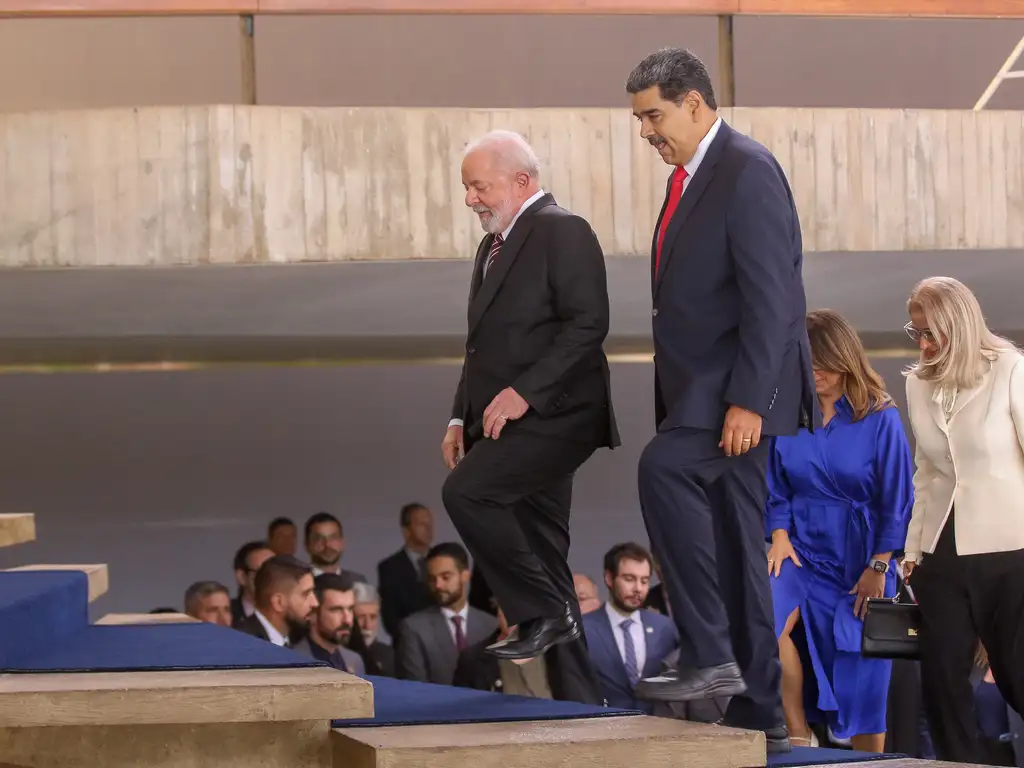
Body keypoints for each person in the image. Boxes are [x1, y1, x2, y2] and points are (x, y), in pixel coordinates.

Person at [625, 47, 816, 752]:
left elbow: (775, 300)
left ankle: (708, 655)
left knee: (661, 470)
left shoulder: (746, 169)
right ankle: (760, 714)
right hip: (705, 398)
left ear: (695, 103)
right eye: (641, 118)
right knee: (740, 552)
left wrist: (750, 402)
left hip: (730, 399)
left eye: (654, 115)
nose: (646, 130)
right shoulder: (693, 177)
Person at [440, 129, 618, 703]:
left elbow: (588, 323)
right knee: (545, 553)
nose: (470, 198)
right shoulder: (492, 245)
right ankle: (583, 701)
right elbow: (481, 347)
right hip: (509, 422)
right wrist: (455, 419)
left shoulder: (562, 230)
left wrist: (526, 392)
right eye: (466, 187)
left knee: (467, 493)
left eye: (479, 186)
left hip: (556, 415)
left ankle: (539, 612)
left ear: (522, 181)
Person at [766, 309, 914, 751]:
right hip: (800, 550)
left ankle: (870, 761)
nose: (815, 374)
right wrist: (778, 533)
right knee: (765, 620)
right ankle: (797, 735)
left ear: (846, 358)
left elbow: (897, 499)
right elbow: (775, 486)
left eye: (823, 364)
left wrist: (879, 564)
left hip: (863, 557)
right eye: (806, 364)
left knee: (863, 672)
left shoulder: (881, 417)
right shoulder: (788, 413)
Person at [901, 276, 1024, 764]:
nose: (925, 345)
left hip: (1009, 547)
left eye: (932, 334)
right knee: (943, 680)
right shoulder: (916, 384)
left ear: (961, 326)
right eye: (917, 334)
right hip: (941, 553)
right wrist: (913, 550)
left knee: (1015, 674)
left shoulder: (1010, 369)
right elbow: (926, 472)